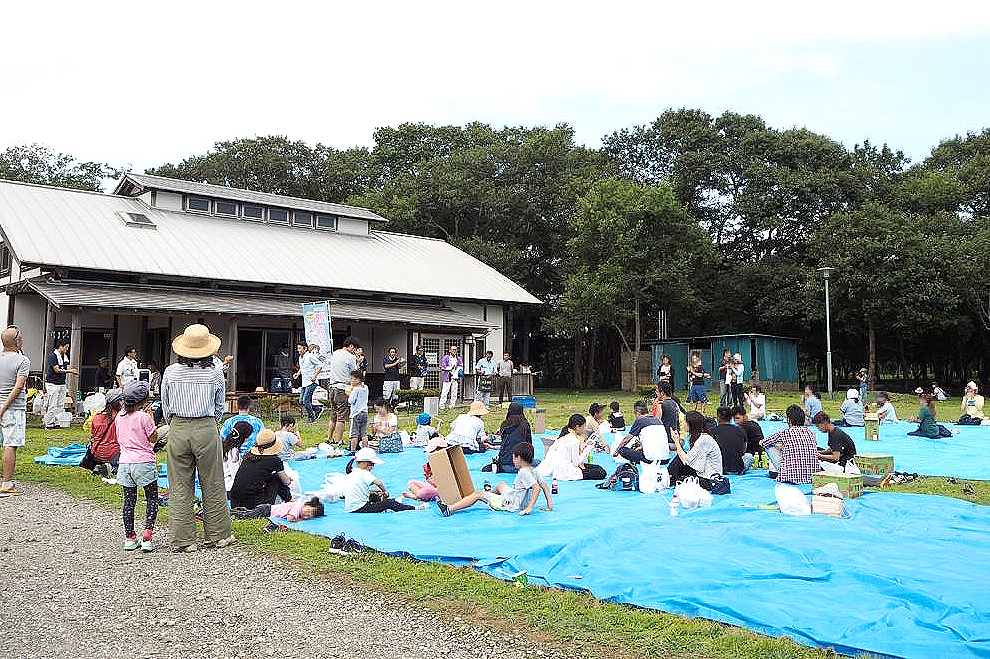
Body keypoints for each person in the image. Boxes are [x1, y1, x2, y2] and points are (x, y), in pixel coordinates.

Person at [162, 323, 233, 552]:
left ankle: (184, 540)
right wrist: (210, 422)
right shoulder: (215, 372)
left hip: (178, 427)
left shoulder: (170, 372)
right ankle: (218, 535)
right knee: (212, 481)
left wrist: (176, 423)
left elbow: (165, 405)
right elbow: (220, 406)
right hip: (206, 426)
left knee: (179, 484)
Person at [439, 442, 551, 516]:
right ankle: (489, 494)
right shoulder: (534, 470)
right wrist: (549, 506)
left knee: (477, 494)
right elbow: (545, 486)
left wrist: (529, 508)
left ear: (519, 458)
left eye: (513, 458)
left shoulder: (524, 472)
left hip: (511, 504)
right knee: (500, 484)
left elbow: (537, 488)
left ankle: (449, 509)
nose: (513, 461)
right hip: (514, 495)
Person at [114, 381, 159, 552]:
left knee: (129, 501)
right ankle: (147, 534)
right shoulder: (144, 417)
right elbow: (153, 438)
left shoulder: (119, 417)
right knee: (151, 498)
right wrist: (151, 419)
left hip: (125, 463)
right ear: (144, 401)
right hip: (144, 462)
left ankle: (130, 537)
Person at [812, 412, 893, 487]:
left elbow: (835, 457)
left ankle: (877, 481)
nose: (818, 429)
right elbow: (833, 448)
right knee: (818, 449)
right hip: (844, 457)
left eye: (818, 426)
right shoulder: (833, 430)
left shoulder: (835, 435)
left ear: (824, 424)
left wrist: (820, 456)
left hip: (845, 463)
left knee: (820, 464)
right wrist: (820, 452)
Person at [344, 448, 425, 512]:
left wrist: (372, 491)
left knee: (374, 496)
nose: (372, 468)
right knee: (389, 503)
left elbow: (357, 490)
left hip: (351, 507)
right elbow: (378, 482)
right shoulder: (364, 473)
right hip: (360, 508)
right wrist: (384, 491)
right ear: (366, 463)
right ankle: (413, 508)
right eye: (372, 465)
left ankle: (395, 501)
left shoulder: (353, 472)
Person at [229, 429, 293, 509]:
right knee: (276, 477)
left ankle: (289, 499)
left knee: (271, 477)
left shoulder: (248, 455)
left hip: (235, 502)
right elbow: (286, 482)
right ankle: (290, 500)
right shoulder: (275, 460)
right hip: (256, 505)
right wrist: (288, 479)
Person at [0, 327, 29, 496]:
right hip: (13, 408)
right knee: (10, 445)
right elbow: (18, 387)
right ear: (17, 341)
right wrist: (4, 406)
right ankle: (7, 484)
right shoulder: (22, 360)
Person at [760, 405, 819, 484]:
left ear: (789, 420)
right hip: (811, 477)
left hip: (789, 477)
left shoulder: (785, 433)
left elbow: (763, 443)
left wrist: (776, 445)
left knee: (769, 446)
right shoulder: (812, 433)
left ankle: (781, 472)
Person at [667, 411, 723, 489]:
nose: (683, 425)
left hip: (710, 479)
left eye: (685, 422)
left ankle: (667, 478)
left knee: (681, 480)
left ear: (691, 424)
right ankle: (667, 477)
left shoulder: (704, 440)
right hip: (702, 472)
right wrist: (678, 442)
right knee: (680, 459)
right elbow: (687, 458)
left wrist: (676, 442)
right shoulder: (698, 437)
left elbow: (686, 461)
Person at [538, 414, 600, 481]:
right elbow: (576, 463)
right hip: (566, 472)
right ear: (577, 427)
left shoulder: (565, 436)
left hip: (557, 468)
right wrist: (588, 449)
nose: (584, 429)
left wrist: (583, 448)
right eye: (583, 427)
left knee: (597, 467)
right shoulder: (574, 440)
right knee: (600, 472)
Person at [324, 337, 361, 446]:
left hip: (331, 387)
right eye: (355, 349)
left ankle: (329, 438)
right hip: (342, 388)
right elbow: (355, 374)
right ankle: (339, 440)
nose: (355, 351)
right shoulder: (350, 357)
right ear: (351, 346)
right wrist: (358, 362)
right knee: (341, 416)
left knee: (333, 415)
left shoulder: (335, 353)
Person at [611, 400, 669, 467]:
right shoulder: (658, 420)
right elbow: (654, 439)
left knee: (622, 450)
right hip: (665, 459)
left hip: (650, 460)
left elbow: (626, 440)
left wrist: (616, 450)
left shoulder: (639, 421)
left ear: (638, 413)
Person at [44, 339, 77, 429]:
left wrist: (72, 370)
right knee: (53, 404)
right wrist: (70, 371)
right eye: (66, 347)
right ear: (60, 346)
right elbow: (57, 370)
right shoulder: (52, 356)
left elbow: (68, 367)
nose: (67, 349)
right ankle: (48, 423)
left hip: (62, 383)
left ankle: (57, 422)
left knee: (60, 404)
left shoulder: (65, 357)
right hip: (52, 384)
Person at [88, 388, 123, 476]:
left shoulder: (97, 417)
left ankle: (103, 467)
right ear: (118, 402)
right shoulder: (121, 418)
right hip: (113, 453)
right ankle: (111, 468)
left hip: (96, 453)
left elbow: (92, 436)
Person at [709, 406, 752, 474]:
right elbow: (743, 450)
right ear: (731, 417)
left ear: (718, 417)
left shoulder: (712, 431)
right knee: (749, 456)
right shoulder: (740, 430)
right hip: (738, 469)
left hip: (719, 468)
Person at [493, 401, 532, 473]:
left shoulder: (504, 424)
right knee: (539, 463)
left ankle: (500, 467)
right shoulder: (525, 424)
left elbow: (504, 443)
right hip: (520, 464)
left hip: (504, 462)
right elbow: (529, 445)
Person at [222, 420, 255, 493]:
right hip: (229, 487)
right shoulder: (233, 452)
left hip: (224, 485)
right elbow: (236, 475)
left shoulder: (225, 446)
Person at [232, 496, 325, 521]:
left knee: (249, 513)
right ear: (307, 505)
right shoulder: (298, 506)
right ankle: (230, 513)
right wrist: (300, 520)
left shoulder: (299, 506)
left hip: (266, 508)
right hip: (266, 510)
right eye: (308, 511)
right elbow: (290, 518)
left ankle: (235, 511)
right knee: (246, 516)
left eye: (309, 516)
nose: (306, 514)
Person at [296, 341, 323, 423]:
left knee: (306, 401)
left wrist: (315, 376)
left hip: (311, 382)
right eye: (298, 348)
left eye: (299, 348)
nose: (298, 350)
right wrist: (297, 374)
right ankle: (317, 409)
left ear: (305, 348)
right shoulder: (300, 357)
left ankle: (311, 418)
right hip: (304, 382)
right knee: (301, 401)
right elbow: (302, 367)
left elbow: (320, 365)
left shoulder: (310, 356)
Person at [347, 369, 369, 452]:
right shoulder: (365, 387)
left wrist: (349, 394)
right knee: (364, 433)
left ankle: (352, 451)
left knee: (354, 434)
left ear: (358, 379)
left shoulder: (356, 389)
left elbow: (351, 401)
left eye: (352, 379)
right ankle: (365, 450)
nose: (351, 381)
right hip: (365, 412)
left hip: (356, 413)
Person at [439, 345, 463, 410]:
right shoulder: (446, 357)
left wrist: (458, 369)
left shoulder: (458, 358)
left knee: (454, 392)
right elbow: (443, 366)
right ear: (450, 350)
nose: (454, 351)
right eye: (453, 349)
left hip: (455, 377)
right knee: (445, 392)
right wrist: (451, 368)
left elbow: (461, 366)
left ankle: (452, 405)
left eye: (455, 350)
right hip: (448, 376)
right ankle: (442, 406)